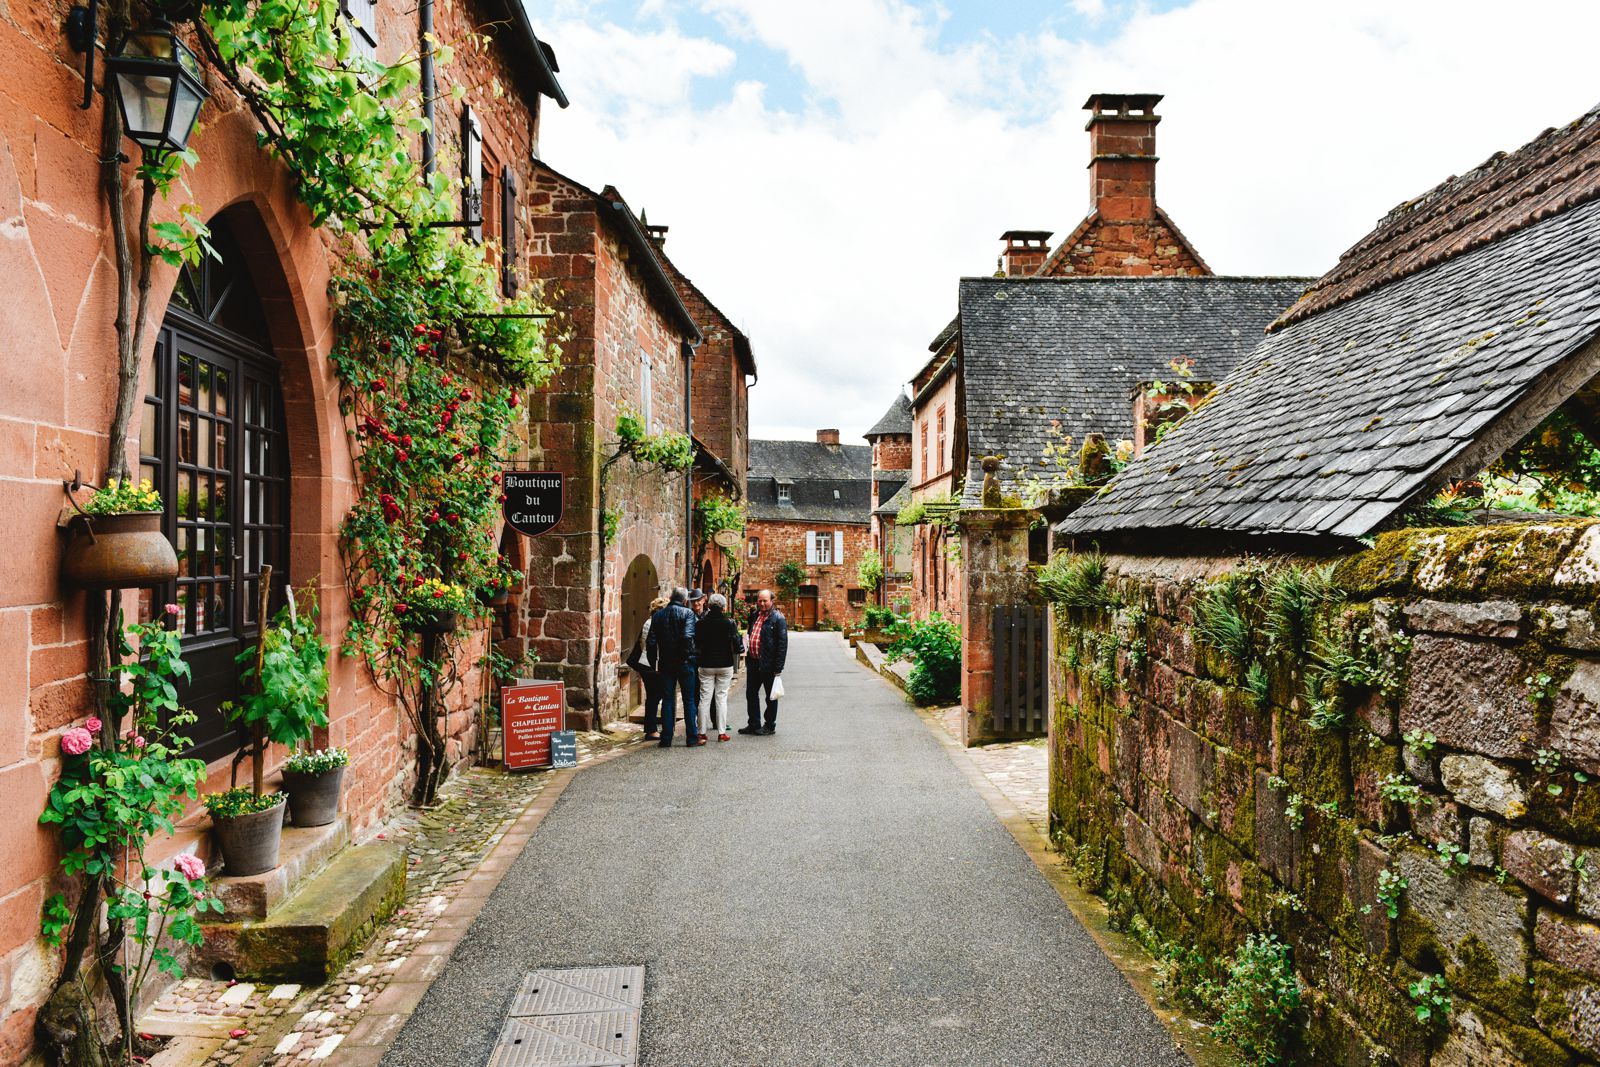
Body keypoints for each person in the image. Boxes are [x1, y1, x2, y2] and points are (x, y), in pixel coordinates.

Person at [646, 587, 701, 747]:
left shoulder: (658, 615)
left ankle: (666, 738)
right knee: (689, 700)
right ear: (684, 601)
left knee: (668, 700)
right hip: (684, 662)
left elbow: (651, 642)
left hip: (665, 663)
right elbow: (687, 637)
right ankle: (691, 738)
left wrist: (653, 663)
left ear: (670, 597)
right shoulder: (688, 614)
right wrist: (685, 657)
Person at [740, 588, 787, 736]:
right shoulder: (754, 615)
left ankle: (769, 725)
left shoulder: (778, 618)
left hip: (769, 664)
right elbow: (750, 634)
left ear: (771, 601)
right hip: (753, 662)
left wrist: (778, 667)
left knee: (770, 697)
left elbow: (782, 644)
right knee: (751, 694)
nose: (761, 603)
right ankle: (754, 724)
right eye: (759, 600)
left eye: (764, 600)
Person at [695, 593, 740, 742]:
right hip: (725, 664)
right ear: (723, 606)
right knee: (721, 698)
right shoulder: (729, 623)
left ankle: (701, 732)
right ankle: (721, 732)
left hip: (706, 663)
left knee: (704, 698)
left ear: (709, 605)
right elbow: (736, 643)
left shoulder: (701, 623)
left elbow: (696, 642)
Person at [627, 595, 669, 740]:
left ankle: (652, 728)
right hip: (651, 665)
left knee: (653, 696)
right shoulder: (655, 623)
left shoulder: (649, 621)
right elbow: (651, 647)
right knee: (656, 696)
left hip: (646, 664)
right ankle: (652, 729)